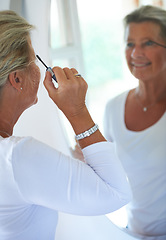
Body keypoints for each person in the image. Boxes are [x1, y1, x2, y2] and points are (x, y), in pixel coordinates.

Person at [0, 10, 132, 240]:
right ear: (17, 79)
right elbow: (117, 193)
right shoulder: (16, 157)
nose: (39, 69)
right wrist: (77, 111)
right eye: (35, 59)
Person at [104, 5, 166, 240]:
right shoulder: (113, 108)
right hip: (133, 234)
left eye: (148, 43)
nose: (136, 53)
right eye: (130, 44)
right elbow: (105, 173)